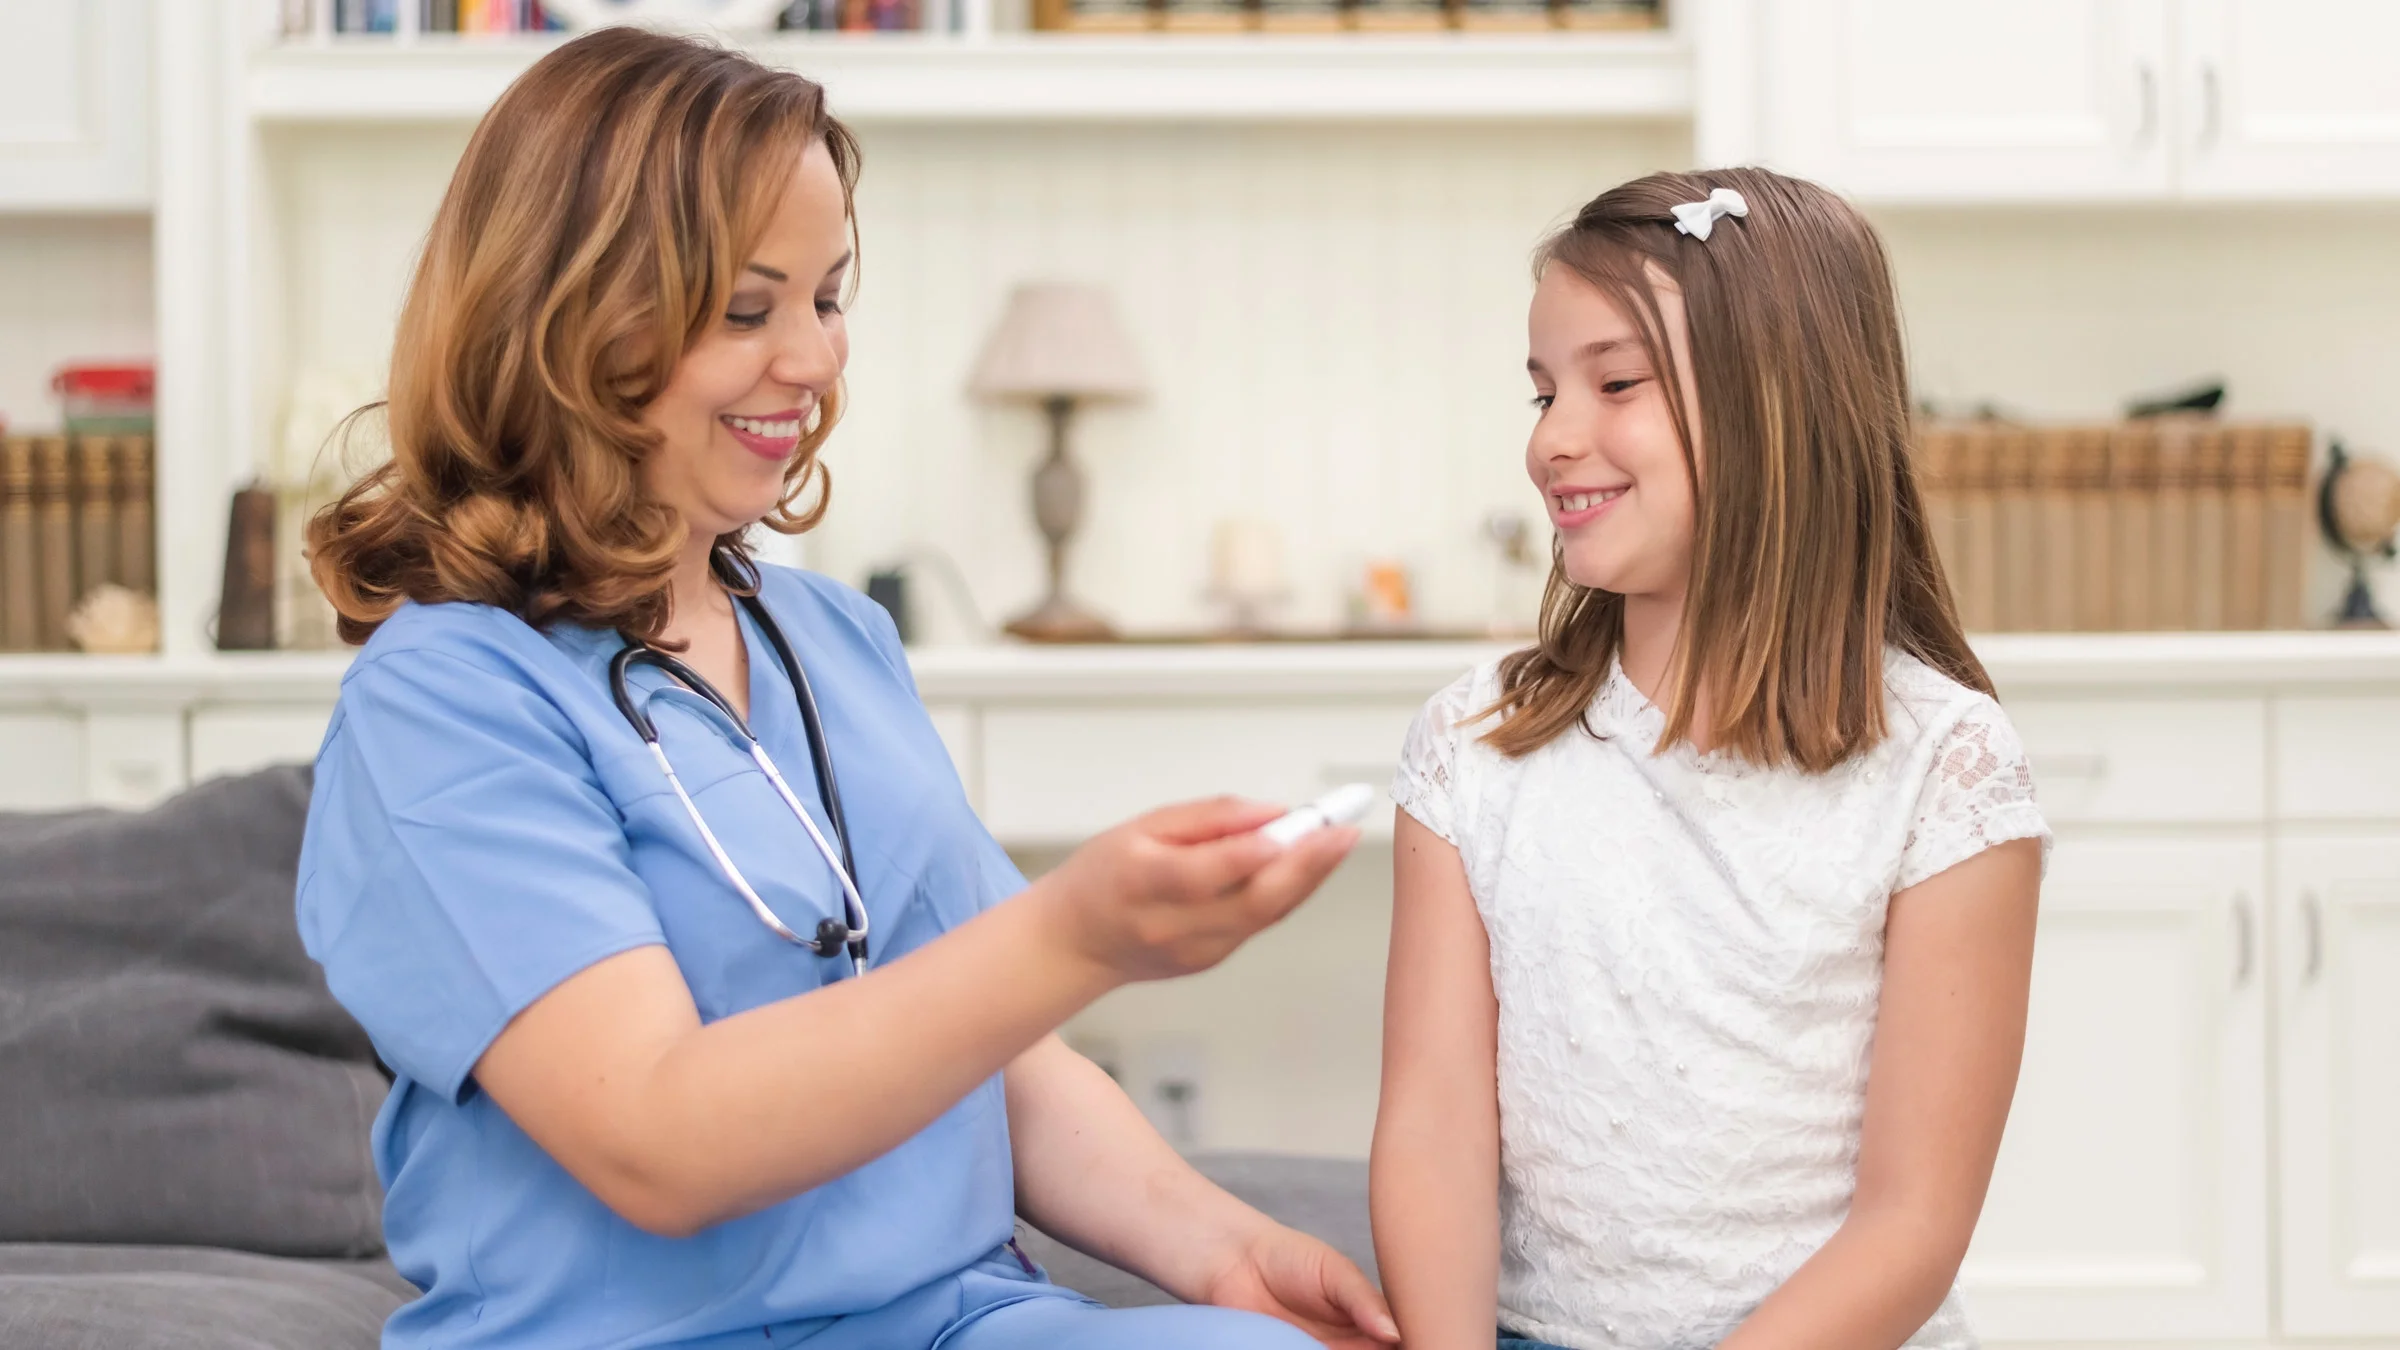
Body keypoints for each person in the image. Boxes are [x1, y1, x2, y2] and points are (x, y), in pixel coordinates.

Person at [295, 28, 1396, 1350]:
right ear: (573, 329)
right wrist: (1074, 933)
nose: (814, 362)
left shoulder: (833, 639)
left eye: (828, 298)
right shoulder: (447, 697)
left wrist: (1222, 1246)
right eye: (749, 309)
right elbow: (657, 1136)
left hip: (954, 1317)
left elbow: (1000, 1049)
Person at [1369, 167, 2051, 1350]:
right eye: (1542, 395)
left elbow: (1912, 1226)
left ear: (1782, 405)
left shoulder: (1948, 769)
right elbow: (1434, 1130)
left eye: (1616, 382)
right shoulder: (1472, 749)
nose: (1554, 442)